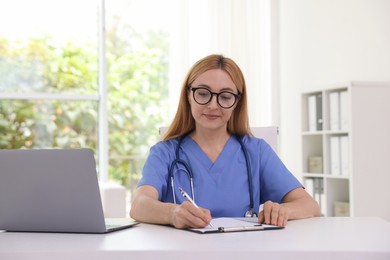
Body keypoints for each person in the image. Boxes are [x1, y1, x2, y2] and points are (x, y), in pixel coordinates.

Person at [130, 54, 320, 229]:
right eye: (203, 93)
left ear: (236, 102)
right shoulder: (165, 153)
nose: (213, 105)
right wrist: (173, 213)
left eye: (225, 96)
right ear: (189, 95)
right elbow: (139, 205)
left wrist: (282, 211)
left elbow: (309, 205)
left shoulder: (257, 152)